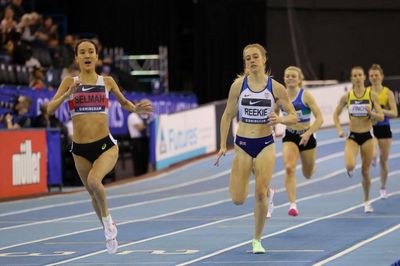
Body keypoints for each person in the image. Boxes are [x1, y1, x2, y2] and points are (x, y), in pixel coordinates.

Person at [47, 39, 152, 254]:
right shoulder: (69, 82)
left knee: (95, 181)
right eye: (82, 52)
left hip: (105, 145)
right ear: (76, 58)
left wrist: (135, 109)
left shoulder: (107, 81)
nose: (87, 55)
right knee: (93, 194)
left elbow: (123, 103)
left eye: (91, 52)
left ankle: (108, 224)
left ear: (96, 57)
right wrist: (67, 95)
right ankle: (107, 225)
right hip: (80, 149)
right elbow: (49, 109)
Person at [215, 43, 296, 254]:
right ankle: (268, 189)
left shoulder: (276, 88)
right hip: (242, 144)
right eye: (247, 58)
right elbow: (227, 115)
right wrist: (223, 145)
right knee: (238, 200)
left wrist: (280, 119)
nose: (251, 60)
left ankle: (257, 240)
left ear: (264, 59)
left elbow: (294, 116)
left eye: (255, 57)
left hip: (265, 144)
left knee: (259, 194)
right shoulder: (238, 86)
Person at [333, 66, 383, 213]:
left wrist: (371, 113)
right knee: (349, 165)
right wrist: (339, 130)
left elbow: (381, 116)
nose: (357, 77)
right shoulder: (347, 97)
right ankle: (350, 168)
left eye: (359, 75)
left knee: (365, 171)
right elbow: (336, 115)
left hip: (367, 135)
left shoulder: (371, 95)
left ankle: (367, 201)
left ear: (363, 77)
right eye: (354, 75)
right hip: (353, 136)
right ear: (351, 79)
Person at [277, 66, 323, 216]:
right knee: (289, 168)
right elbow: (274, 115)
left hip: (307, 136)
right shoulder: (280, 97)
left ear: (299, 79)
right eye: (287, 76)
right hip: (290, 136)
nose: (290, 78)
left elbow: (320, 119)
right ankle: (292, 205)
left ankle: (310, 165)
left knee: (307, 173)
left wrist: (309, 133)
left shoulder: (306, 96)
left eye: (293, 76)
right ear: (284, 78)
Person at [368, 64, 398, 199]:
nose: (374, 78)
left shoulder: (388, 93)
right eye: (371, 76)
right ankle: (372, 156)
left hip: (384, 128)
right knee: (373, 151)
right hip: (370, 127)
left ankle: (383, 187)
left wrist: (380, 110)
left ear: (382, 77)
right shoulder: (366, 92)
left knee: (384, 161)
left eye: (376, 75)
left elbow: (394, 113)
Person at [127, 111, 150, 176]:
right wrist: (148, 121)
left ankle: (145, 176)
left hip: (144, 139)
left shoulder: (141, 115)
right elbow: (140, 128)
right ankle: (138, 177)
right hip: (137, 141)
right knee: (138, 162)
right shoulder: (132, 116)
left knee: (145, 161)